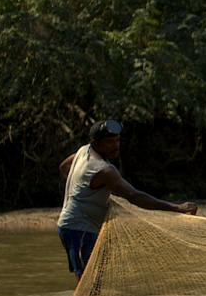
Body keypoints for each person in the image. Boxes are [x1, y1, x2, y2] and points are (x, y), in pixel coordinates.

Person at [57, 119, 198, 283]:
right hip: (79, 229)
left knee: (94, 279)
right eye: (110, 142)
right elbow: (134, 196)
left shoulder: (83, 151)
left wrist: (83, 190)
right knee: (89, 283)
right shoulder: (104, 170)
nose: (116, 146)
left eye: (117, 140)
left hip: (73, 226)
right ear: (96, 143)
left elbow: (64, 167)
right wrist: (176, 208)